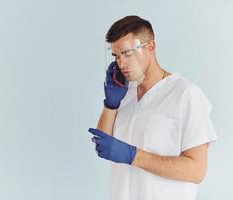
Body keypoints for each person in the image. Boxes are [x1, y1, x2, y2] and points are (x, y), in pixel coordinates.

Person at [88, 15, 218, 200]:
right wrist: (110, 104)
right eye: (116, 55)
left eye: (127, 53)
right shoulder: (123, 92)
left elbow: (197, 171)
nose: (120, 63)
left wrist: (133, 155)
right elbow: (102, 145)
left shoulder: (185, 94)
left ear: (150, 48)